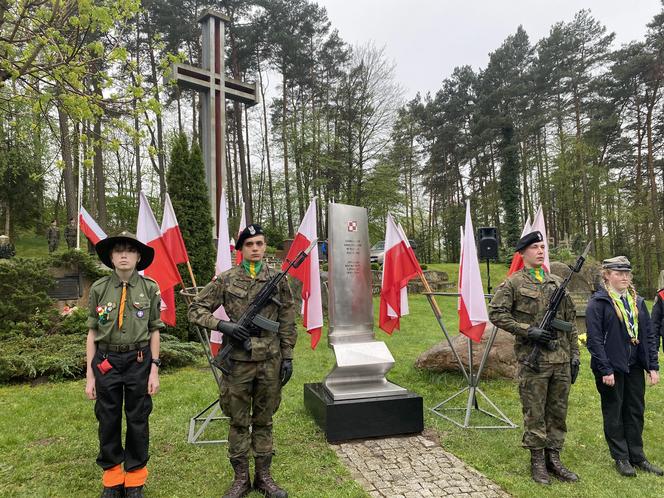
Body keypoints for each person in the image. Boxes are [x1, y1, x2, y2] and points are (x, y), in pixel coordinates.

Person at [188, 224, 296, 498]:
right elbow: (195, 309)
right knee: (238, 421)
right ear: (241, 250)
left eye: (260, 243)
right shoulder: (225, 279)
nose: (256, 249)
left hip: (270, 360)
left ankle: (264, 477)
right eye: (250, 245)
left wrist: (288, 356)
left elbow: (287, 319)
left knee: (264, 419)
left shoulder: (278, 278)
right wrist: (224, 326)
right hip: (237, 361)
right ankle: (240, 479)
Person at [489, 231, 580, 485]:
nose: (541, 251)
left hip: (561, 360)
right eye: (535, 247)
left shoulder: (556, 282)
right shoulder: (513, 283)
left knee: (558, 413)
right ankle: (537, 462)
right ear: (523, 253)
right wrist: (528, 330)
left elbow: (569, 323)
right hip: (534, 360)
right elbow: (496, 314)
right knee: (535, 413)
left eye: (543, 247)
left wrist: (575, 355)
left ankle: (555, 459)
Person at [85, 232, 164, 498]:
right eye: (118, 250)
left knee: (138, 416)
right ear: (110, 257)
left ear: (138, 257)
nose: (123, 255)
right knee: (107, 417)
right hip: (106, 360)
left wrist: (154, 368)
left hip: (138, 360)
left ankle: (135, 478)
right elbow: (92, 333)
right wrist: (90, 376)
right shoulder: (99, 289)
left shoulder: (150, 288)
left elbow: (154, 330)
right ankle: (112, 476)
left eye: (129, 250)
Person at [585, 256, 662, 477]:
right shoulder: (598, 303)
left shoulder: (637, 302)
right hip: (612, 368)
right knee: (614, 412)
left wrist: (652, 366)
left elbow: (647, 335)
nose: (625, 277)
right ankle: (621, 457)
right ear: (607, 275)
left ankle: (637, 456)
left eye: (627, 273)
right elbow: (595, 340)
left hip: (635, 366)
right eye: (619, 273)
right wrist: (605, 369)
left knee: (635, 411)